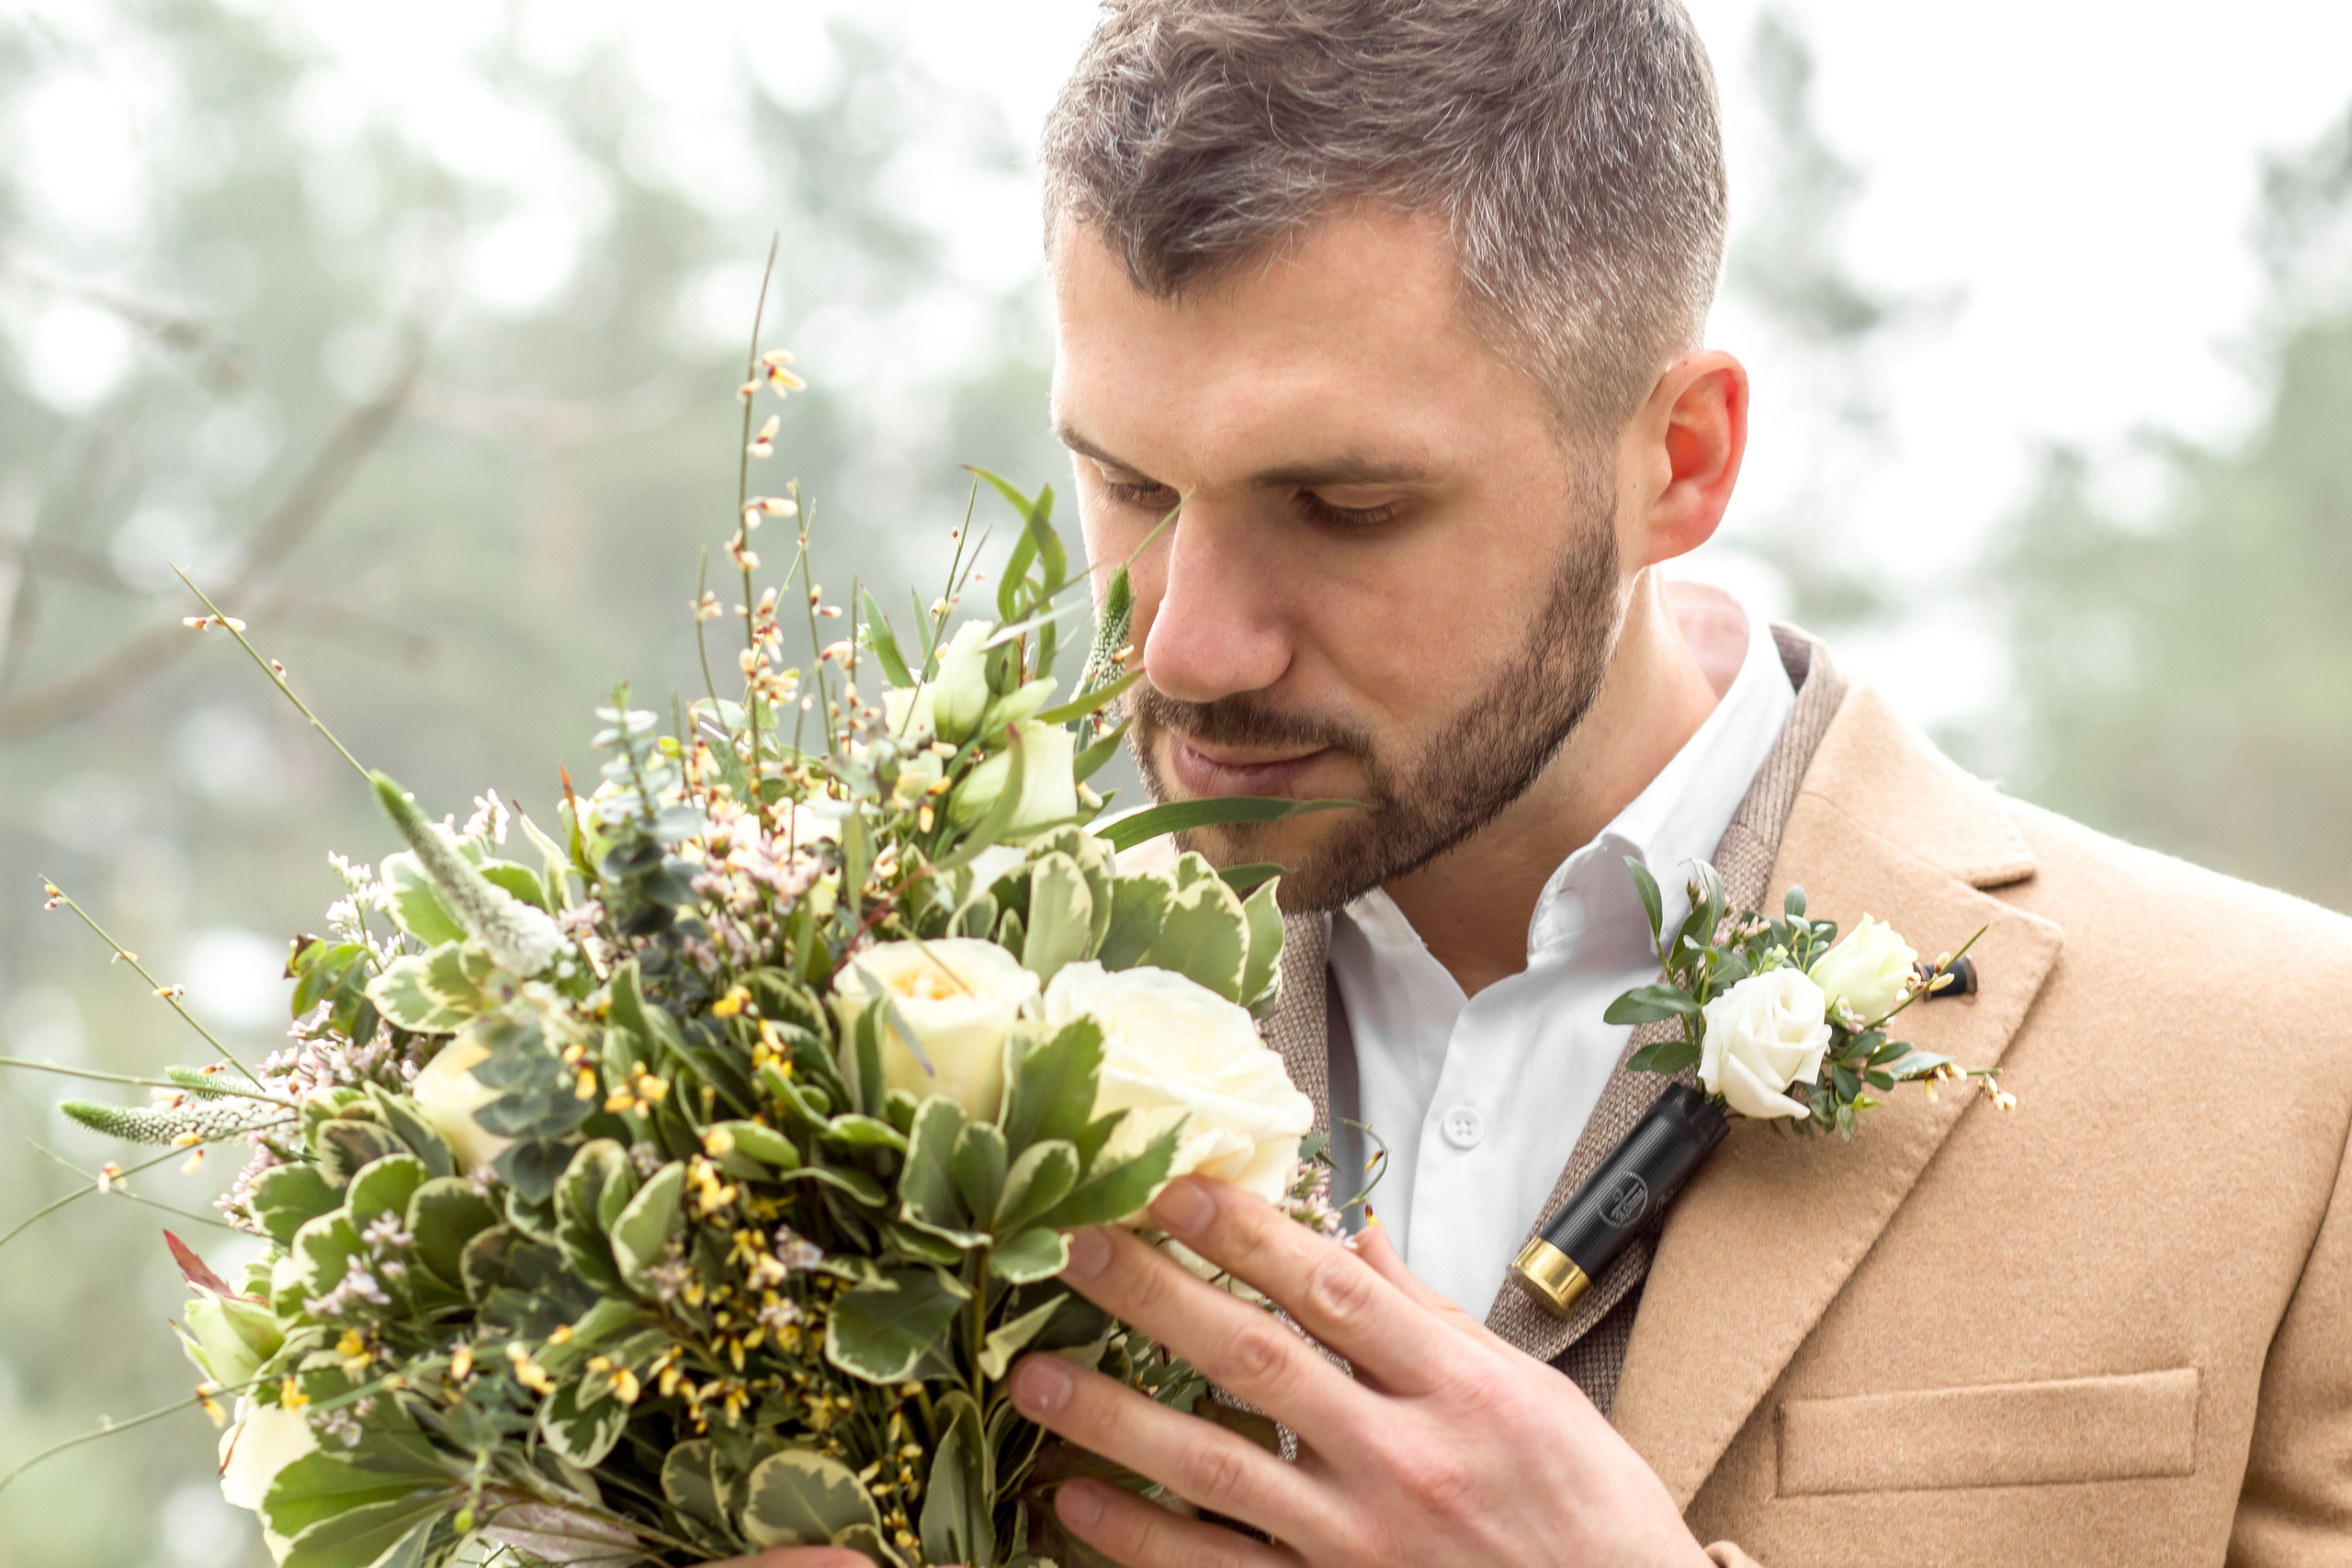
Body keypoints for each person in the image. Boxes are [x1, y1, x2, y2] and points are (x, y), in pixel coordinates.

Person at [725, 1, 2352, 1563]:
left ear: (1681, 460)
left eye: (1345, 504)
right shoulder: (860, 1024)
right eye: (1129, 481)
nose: (1187, 650)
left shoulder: (2294, 1079)